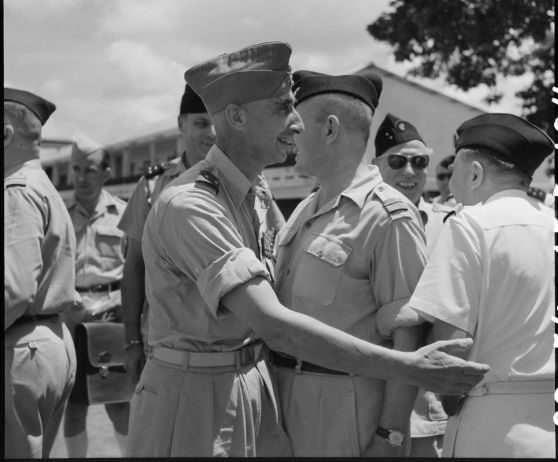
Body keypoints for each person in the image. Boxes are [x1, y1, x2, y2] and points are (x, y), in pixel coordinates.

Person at [126, 41, 489, 458]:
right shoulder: (192, 203)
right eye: (283, 108)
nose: (297, 123)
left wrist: (391, 431)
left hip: (259, 394)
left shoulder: (255, 195)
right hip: (193, 400)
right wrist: (412, 369)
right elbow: (274, 324)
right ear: (237, 116)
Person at [271, 71, 426, 457]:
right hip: (283, 405)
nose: (290, 134)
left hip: (348, 414)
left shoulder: (389, 216)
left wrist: (391, 435)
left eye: (298, 124)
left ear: (330, 129)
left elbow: (409, 337)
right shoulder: (307, 208)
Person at [407, 113, 555, 458]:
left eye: (454, 171)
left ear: (475, 173)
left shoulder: (469, 224)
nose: (449, 184)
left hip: (491, 422)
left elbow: (451, 346)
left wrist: (449, 399)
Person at [118, 84, 215, 383]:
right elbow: (134, 266)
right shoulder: (153, 186)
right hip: (163, 343)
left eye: (216, 123)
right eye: (200, 123)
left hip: (225, 343)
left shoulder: (243, 183)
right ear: (181, 125)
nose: (211, 132)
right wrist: (132, 341)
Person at [372, 113, 452, 457]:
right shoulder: (360, 222)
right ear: (376, 166)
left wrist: (394, 315)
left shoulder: (451, 224)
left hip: (428, 408)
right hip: (372, 401)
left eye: (420, 162)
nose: (410, 172)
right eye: (398, 161)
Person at [4, 88, 77, 458]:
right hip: (48, 340)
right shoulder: (41, 185)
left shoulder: (15, 189)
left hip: (21, 347)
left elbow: (12, 290)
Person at [62, 134, 129, 457]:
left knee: (119, 406)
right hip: (71, 322)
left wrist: (117, 302)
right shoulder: (60, 216)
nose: (81, 177)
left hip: (111, 321)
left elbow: (135, 270)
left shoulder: (124, 214)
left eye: (89, 170)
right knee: (73, 410)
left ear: (105, 173)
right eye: (76, 170)